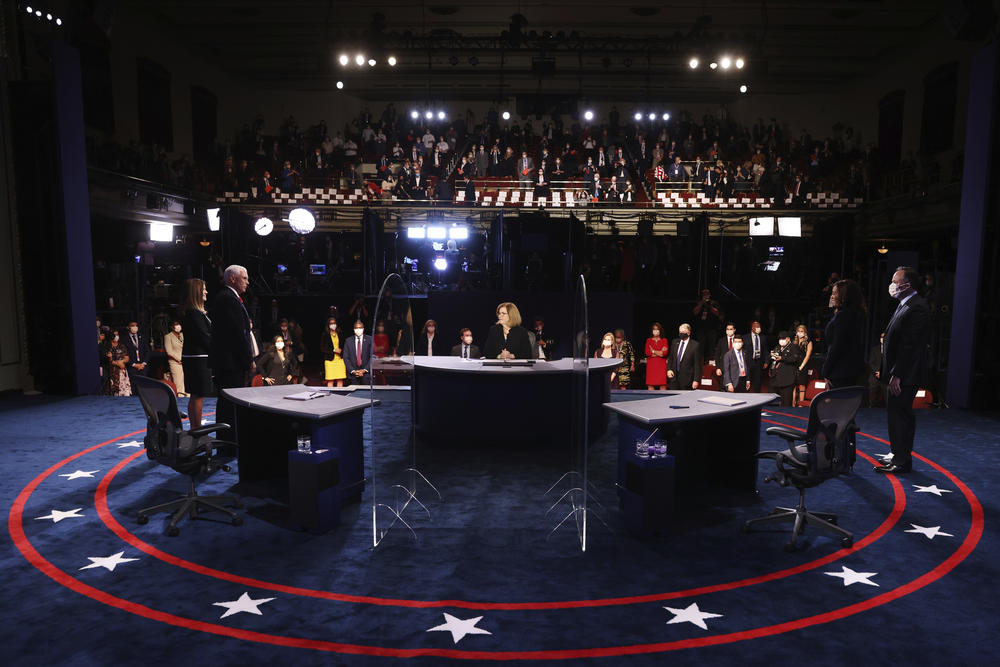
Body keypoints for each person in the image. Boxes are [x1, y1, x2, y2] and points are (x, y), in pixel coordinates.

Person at [875, 266, 932, 475]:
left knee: (901, 416)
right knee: (895, 415)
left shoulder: (917, 307)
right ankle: (898, 456)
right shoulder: (904, 304)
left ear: (907, 285)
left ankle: (902, 461)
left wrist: (897, 374)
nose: (892, 285)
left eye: (895, 281)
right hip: (896, 373)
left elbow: (910, 345)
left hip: (904, 375)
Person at [209, 265, 253, 428]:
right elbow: (237, 335)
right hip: (230, 363)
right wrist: (249, 360)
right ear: (232, 279)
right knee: (229, 405)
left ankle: (227, 443)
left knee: (228, 405)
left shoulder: (229, 297)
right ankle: (227, 444)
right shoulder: (228, 298)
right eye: (245, 278)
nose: (247, 282)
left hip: (230, 362)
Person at [822, 278, 869, 389]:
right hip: (852, 371)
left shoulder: (843, 316)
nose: (831, 297)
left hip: (840, 373)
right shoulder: (855, 314)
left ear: (844, 296)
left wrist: (825, 371)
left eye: (834, 293)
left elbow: (836, 347)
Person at [179, 279, 211, 428]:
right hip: (198, 360)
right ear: (196, 292)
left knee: (195, 395)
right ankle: (197, 431)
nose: (206, 292)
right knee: (198, 396)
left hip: (194, 359)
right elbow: (205, 338)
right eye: (203, 289)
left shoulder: (193, 313)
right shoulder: (194, 313)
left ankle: (195, 429)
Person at [769, 331, 803, 406]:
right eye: (780, 339)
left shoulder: (794, 347)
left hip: (787, 379)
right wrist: (772, 355)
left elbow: (794, 359)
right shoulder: (778, 347)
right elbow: (773, 357)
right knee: (772, 401)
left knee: (786, 402)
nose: (781, 340)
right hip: (776, 378)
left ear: (788, 339)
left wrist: (782, 358)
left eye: (783, 339)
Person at [667, 323, 702, 390]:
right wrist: (668, 369)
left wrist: (696, 380)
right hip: (673, 379)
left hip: (687, 380)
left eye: (683, 332)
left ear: (688, 333)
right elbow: (671, 358)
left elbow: (697, 364)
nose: (681, 334)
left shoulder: (695, 345)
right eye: (680, 332)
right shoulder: (674, 342)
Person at [344, 319, 373, 384]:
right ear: (354, 329)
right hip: (353, 375)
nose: (358, 330)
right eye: (356, 328)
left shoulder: (370, 339)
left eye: (360, 328)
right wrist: (353, 371)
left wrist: (364, 370)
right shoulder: (348, 341)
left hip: (366, 374)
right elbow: (346, 357)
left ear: (363, 329)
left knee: (366, 393)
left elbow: (372, 356)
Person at [320, 316, 347, 387]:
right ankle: (331, 397)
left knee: (340, 380)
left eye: (334, 323)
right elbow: (322, 348)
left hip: (340, 360)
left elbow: (345, 346)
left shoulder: (340, 334)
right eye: (331, 323)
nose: (333, 324)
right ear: (328, 325)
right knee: (330, 380)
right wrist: (334, 350)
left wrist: (341, 350)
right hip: (329, 361)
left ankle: (340, 397)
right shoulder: (325, 335)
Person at [104, 329, 131, 397]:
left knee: (124, 392)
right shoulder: (107, 346)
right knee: (113, 392)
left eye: (117, 334)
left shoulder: (122, 346)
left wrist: (122, 362)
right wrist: (118, 363)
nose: (116, 336)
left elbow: (127, 358)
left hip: (122, 371)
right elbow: (109, 359)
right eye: (115, 335)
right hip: (111, 372)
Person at [792, 324, 814, 405]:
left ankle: (801, 404)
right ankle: (793, 404)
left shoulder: (808, 342)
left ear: (805, 333)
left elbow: (808, 355)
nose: (800, 333)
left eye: (802, 331)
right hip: (793, 365)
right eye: (798, 331)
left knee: (802, 385)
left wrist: (801, 366)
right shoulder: (794, 341)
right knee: (793, 385)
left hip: (803, 366)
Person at [164, 319, 186, 396]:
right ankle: (181, 399)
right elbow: (169, 351)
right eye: (176, 324)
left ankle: (188, 397)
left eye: (179, 324)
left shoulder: (183, 335)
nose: (178, 326)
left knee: (187, 381)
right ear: (172, 327)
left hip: (185, 361)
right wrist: (179, 359)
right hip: (175, 362)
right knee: (178, 382)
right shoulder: (168, 336)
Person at [644, 322, 669, 390]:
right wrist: (659, 352)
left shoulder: (664, 340)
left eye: (657, 329)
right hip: (651, 366)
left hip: (661, 366)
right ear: (652, 331)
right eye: (654, 329)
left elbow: (664, 353)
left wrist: (653, 351)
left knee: (663, 385)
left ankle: (663, 401)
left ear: (660, 331)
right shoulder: (648, 340)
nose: (655, 331)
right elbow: (647, 353)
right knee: (650, 385)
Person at [746, 320, 769, 392]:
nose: (759, 328)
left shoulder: (763, 337)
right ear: (752, 328)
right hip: (748, 362)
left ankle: (757, 397)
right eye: (757, 327)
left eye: (759, 327)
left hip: (759, 362)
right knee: (747, 382)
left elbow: (765, 350)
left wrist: (766, 361)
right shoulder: (745, 337)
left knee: (758, 382)